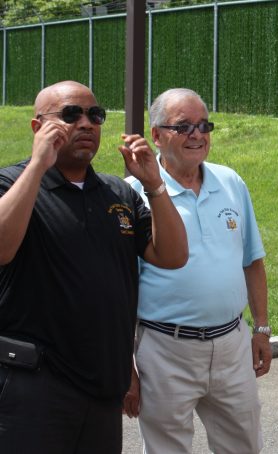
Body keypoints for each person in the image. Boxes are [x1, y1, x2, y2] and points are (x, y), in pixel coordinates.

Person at [0, 81, 188, 453]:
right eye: (71, 114)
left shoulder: (118, 194)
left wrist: (154, 185)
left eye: (95, 115)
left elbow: (172, 256)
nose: (86, 123)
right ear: (38, 127)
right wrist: (39, 165)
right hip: (33, 388)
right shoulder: (11, 182)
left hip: (102, 387)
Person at [122, 88, 270, 454]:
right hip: (164, 349)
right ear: (156, 135)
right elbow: (118, 288)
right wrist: (126, 365)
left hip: (232, 345)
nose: (197, 135)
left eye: (204, 125)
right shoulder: (132, 193)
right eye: (184, 126)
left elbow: (252, 261)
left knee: (244, 446)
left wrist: (262, 328)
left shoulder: (230, 182)